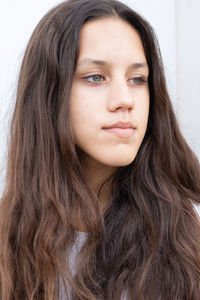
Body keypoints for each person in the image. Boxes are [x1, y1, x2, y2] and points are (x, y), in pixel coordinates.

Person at [0, 0, 200, 299]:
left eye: (137, 79)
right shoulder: (9, 237)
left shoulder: (190, 234)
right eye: (96, 77)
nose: (125, 99)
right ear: (49, 95)